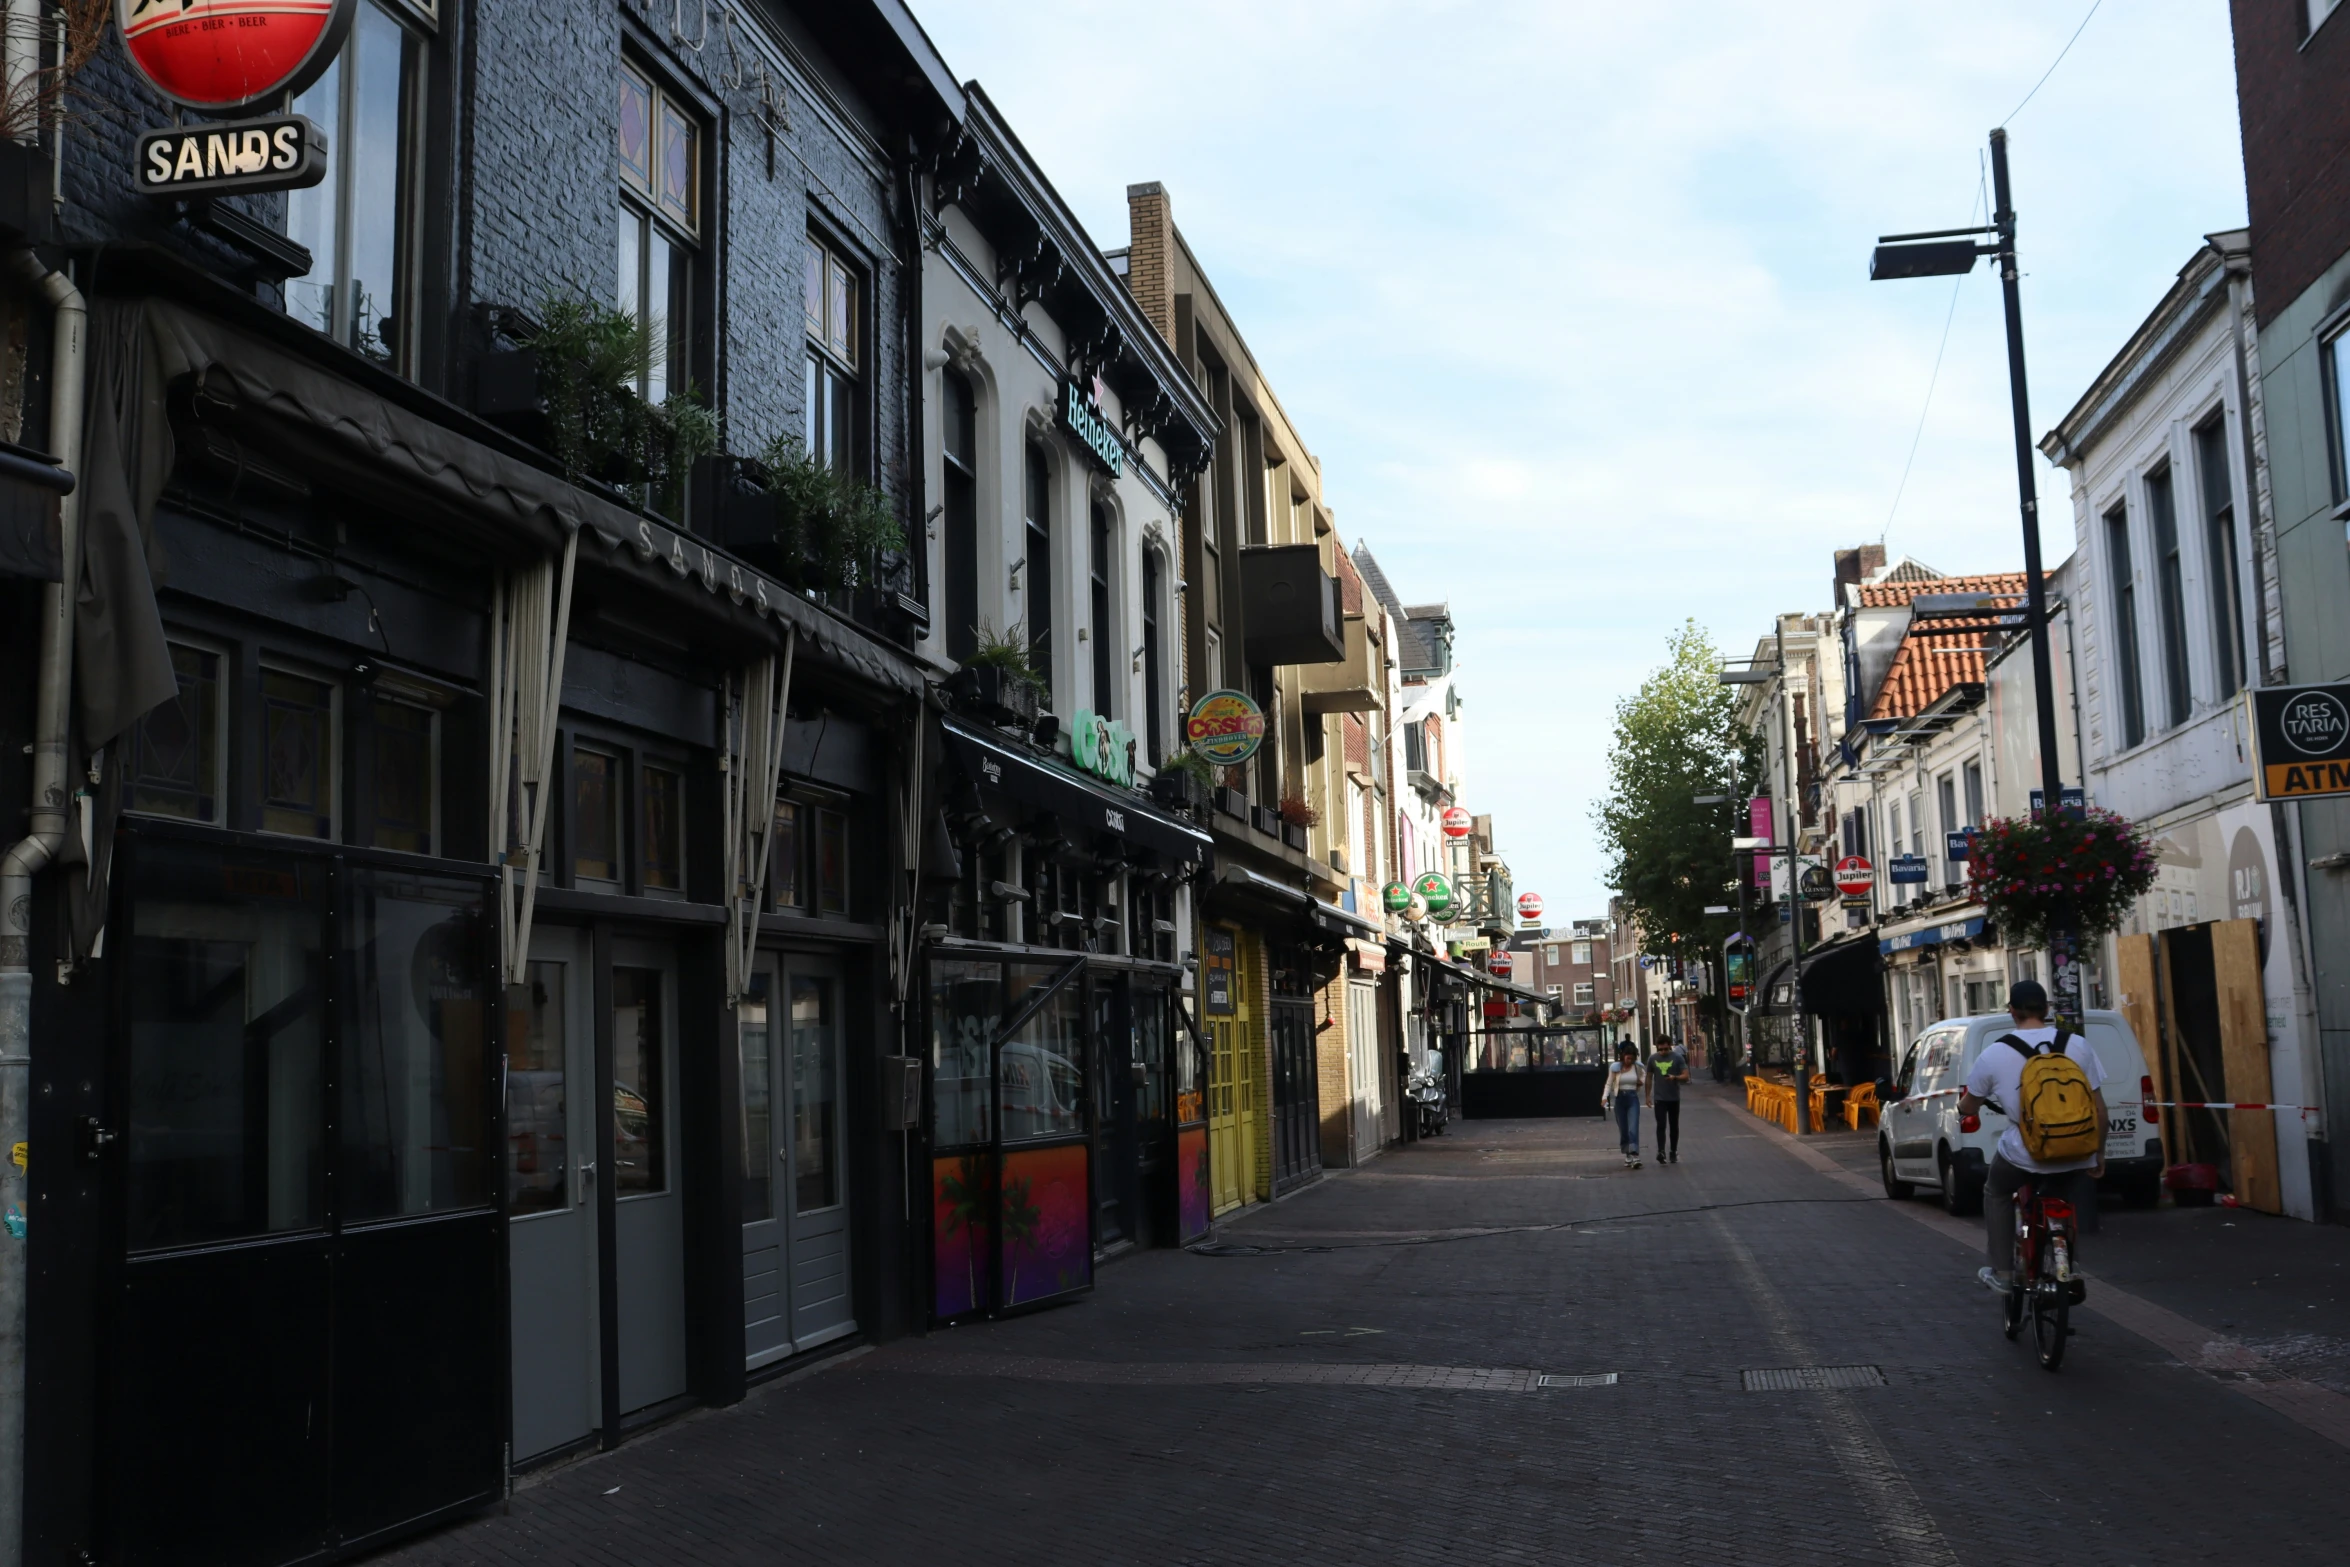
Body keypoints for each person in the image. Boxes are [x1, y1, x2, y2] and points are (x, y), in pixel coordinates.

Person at [1955, 980, 2107, 1293]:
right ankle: (2069, 1262)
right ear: (2047, 1009)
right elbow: (2100, 1111)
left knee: (1995, 1190)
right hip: (2077, 1151)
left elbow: (1970, 1104)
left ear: (2012, 1012)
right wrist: (2098, 1153)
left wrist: (1961, 1109)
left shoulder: (1995, 1053)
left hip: (2024, 1154)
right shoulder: (2077, 1045)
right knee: (2064, 1192)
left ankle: (2003, 1273)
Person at [1604, 1040, 1645, 1168]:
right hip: (1619, 1099)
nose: (1629, 1061)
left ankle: (1636, 1156)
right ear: (1623, 1057)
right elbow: (1609, 1083)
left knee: (1633, 1127)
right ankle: (1627, 1153)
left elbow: (1643, 1077)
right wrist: (1604, 1097)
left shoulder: (1637, 1067)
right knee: (1623, 1129)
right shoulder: (1615, 1068)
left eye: (1632, 1059)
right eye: (1627, 1058)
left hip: (1632, 1098)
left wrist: (1640, 1082)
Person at [1651, 1037, 1689, 1163]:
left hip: (1673, 1097)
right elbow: (1648, 1078)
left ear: (1670, 1046)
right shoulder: (1652, 1058)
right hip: (1659, 1098)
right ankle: (1661, 1151)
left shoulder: (1677, 1058)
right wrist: (1647, 1096)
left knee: (1673, 1125)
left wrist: (1675, 1077)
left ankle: (1673, 1150)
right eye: (1660, 1049)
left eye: (1666, 1049)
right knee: (1661, 1125)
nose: (1663, 1052)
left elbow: (1686, 1076)